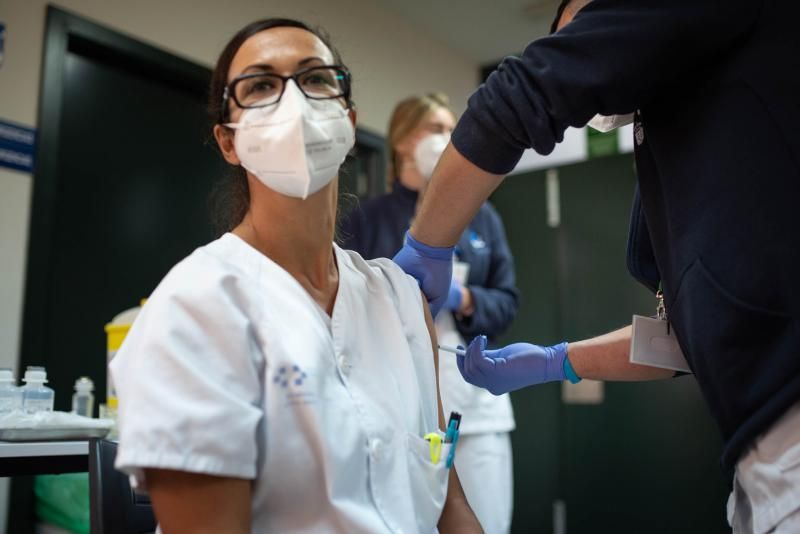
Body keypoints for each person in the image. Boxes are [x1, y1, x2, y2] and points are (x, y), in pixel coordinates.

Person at [392, 0, 800, 532]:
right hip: (758, 464)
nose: (589, 52)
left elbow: (519, 98)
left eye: (585, 33)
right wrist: (555, 361)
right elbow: (681, 342)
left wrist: (428, 244)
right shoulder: (675, 150)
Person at [109, 18, 482, 533]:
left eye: (315, 79)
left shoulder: (399, 297)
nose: (294, 102)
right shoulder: (195, 306)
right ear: (228, 141)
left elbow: (451, 506)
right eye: (261, 85)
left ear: (349, 122)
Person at [340, 93, 519, 533]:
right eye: (437, 129)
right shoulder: (368, 218)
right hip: (393, 393)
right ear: (402, 141)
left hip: (474, 401)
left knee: (486, 519)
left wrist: (465, 299)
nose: (447, 139)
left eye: (451, 130)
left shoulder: (483, 216)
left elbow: (507, 301)